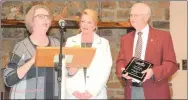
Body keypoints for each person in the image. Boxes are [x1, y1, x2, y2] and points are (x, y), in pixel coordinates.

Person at [116, 3, 178, 99]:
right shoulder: (125, 39)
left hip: (155, 91)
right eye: (131, 15)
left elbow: (171, 64)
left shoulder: (163, 37)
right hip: (132, 90)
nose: (132, 18)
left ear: (146, 17)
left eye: (135, 15)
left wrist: (153, 72)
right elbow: (120, 61)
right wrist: (123, 71)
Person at [3, 4, 60, 99]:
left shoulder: (57, 44)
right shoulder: (21, 46)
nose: (46, 19)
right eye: (41, 16)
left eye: (47, 16)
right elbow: (8, 79)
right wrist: (32, 61)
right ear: (32, 21)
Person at [65, 9, 112, 99]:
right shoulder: (70, 41)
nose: (85, 25)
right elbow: (65, 68)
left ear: (95, 25)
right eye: (83, 21)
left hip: (96, 94)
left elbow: (106, 70)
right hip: (74, 94)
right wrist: (72, 90)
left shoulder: (103, 43)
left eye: (89, 22)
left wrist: (93, 91)